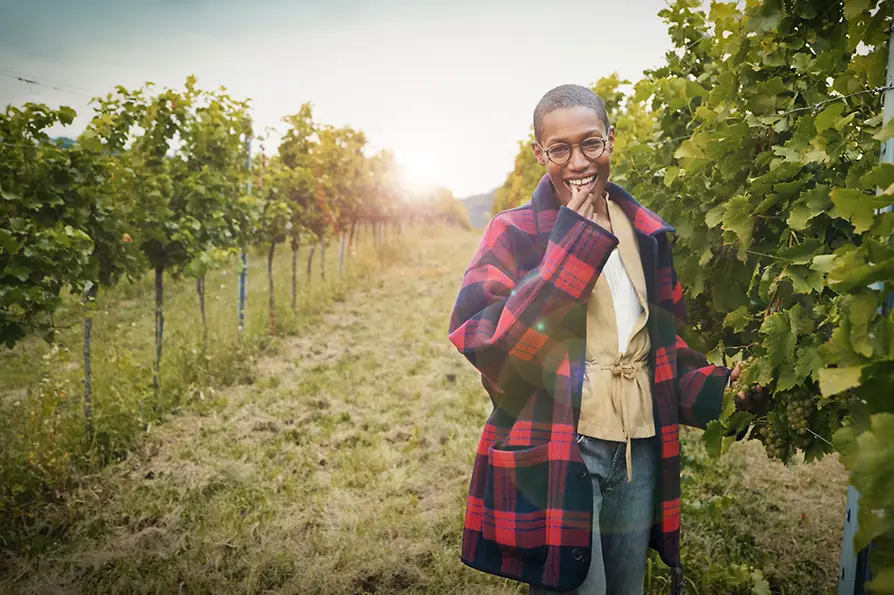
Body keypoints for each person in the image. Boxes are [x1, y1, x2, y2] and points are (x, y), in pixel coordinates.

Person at [447, 84, 763, 595]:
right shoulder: (514, 233)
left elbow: (664, 355)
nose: (577, 162)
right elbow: (488, 345)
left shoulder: (646, 235)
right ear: (539, 153)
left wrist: (726, 390)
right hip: (563, 450)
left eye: (590, 143)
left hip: (637, 452)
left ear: (610, 140)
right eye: (559, 149)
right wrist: (572, 242)